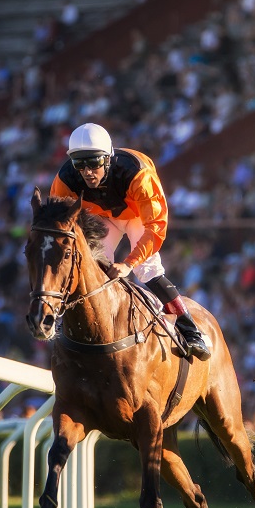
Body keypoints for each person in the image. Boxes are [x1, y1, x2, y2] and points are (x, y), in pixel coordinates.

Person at [49, 122, 211, 360]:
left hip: (137, 217)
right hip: (101, 217)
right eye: (79, 164)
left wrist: (129, 263)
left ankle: (189, 329)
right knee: (94, 267)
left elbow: (155, 227)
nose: (87, 172)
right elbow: (57, 224)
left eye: (93, 163)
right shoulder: (65, 179)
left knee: (147, 269)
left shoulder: (137, 173)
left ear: (107, 159)